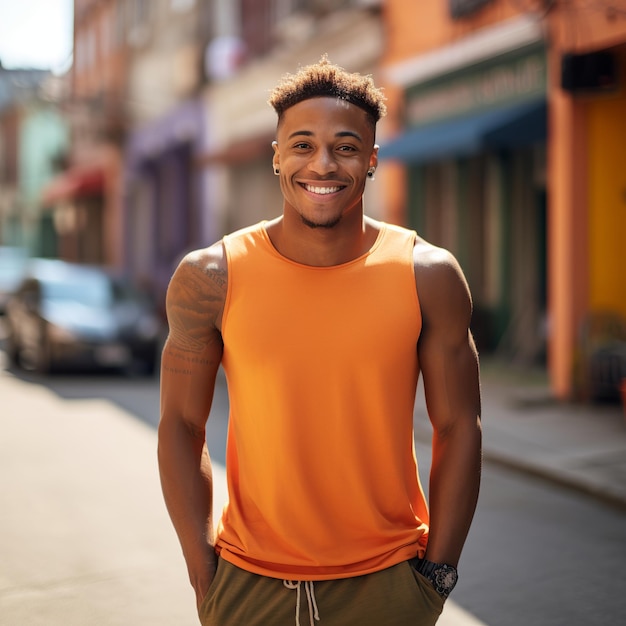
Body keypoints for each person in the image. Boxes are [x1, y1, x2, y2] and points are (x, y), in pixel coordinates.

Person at [158, 56, 482, 626]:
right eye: (302, 145)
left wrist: (437, 576)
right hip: (247, 584)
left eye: (347, 147)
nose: (323, 164)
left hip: (387, 586)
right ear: (277, 157)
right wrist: (201, 571)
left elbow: (459, 428)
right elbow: (181, 427)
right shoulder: (211, 276)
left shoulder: (426, 274)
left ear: (373, 160)